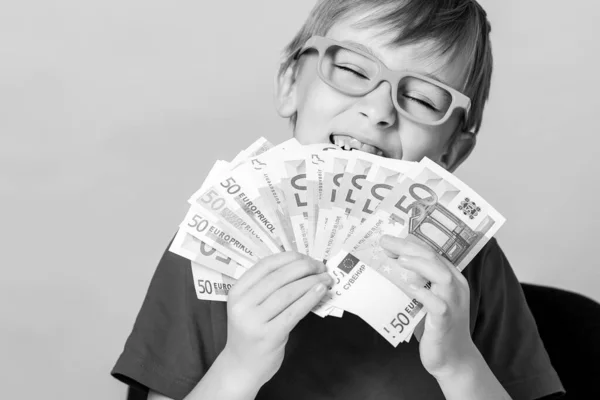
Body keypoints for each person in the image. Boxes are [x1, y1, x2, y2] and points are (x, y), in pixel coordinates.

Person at [111, 1, 565, 399]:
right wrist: (238, 367)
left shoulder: (468, 264)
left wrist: (459, 364)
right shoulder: (208, 247)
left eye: (424, 100)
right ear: (291, 84)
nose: (379, 111)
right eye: (351, 71)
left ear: (450, 151)